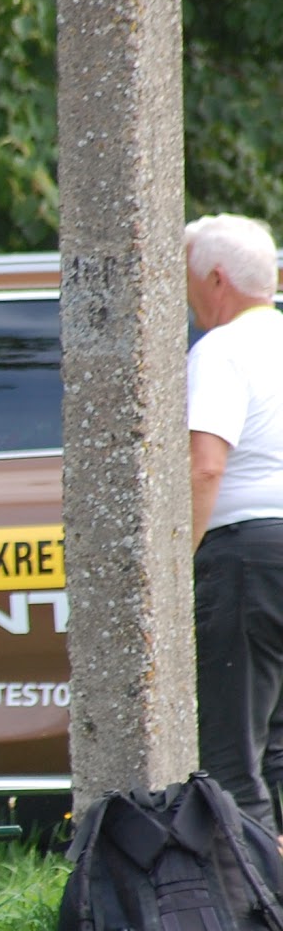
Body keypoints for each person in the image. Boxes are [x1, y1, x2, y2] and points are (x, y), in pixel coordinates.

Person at [186, 214, 283, 836]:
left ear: (217, 278)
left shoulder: (221, 349)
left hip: (246, 558)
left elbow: (205, 468)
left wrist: (174, 569)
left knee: (233, 757)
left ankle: (253, 914)